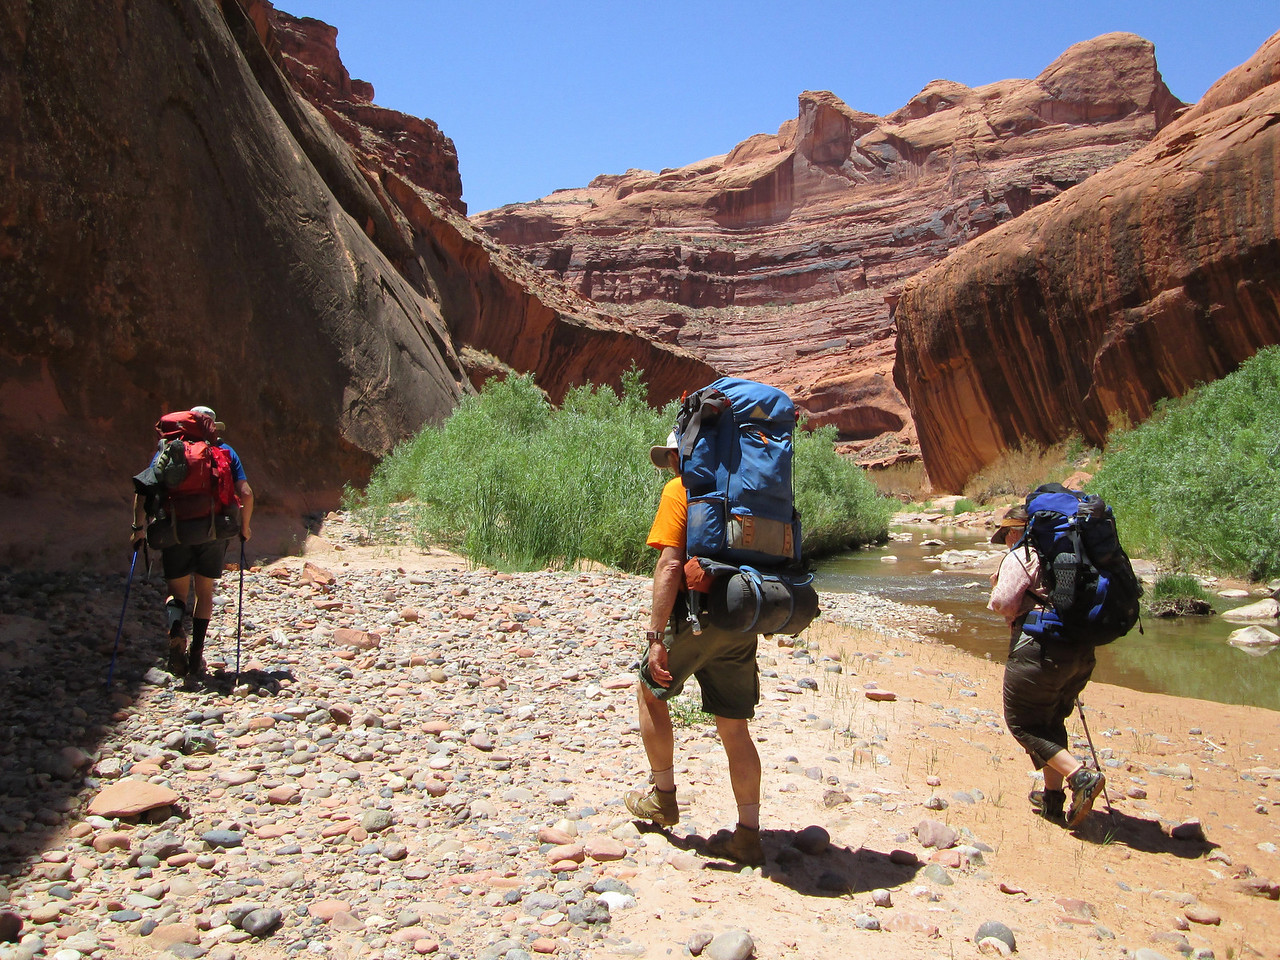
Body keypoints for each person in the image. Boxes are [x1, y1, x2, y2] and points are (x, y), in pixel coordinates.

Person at [623, 430, 766, 866]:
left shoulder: (680, 490)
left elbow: (669, 565)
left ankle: (663, 798)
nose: (669, 465)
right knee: (735, 729)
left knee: (650, 690)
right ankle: (748, 834)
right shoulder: (746, 489)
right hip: (741, 619)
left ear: (682, 455)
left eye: (671, 457)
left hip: (696, 618)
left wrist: (654, 638)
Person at [989, 505, 1106, 827]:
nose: (1006, 541)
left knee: (1023, 724)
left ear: (1015, 531)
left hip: (1039, 650)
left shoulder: (1022, 554)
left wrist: (996, 586)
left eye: (1006, 535)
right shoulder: (1075, 554)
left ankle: (1080, 777)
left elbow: (1003, 603)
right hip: (1081, 651)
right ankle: (1052, 799)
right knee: (1050, 720)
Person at [131, 406, 254, 679]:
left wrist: (138, 528)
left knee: (177, 592)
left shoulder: (168, 450)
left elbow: (143, 492)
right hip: (212, 532)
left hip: (174, 532)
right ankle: (196, 655)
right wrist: (244, 527)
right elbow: (245, 492)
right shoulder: (225, 452)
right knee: (204, 592)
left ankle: (176, 630)